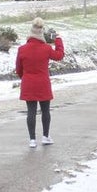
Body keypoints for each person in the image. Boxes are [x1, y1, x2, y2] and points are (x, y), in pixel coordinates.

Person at [15, 16, 64, 148]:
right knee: (45, 110)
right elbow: (59, 56)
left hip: (28, 83)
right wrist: (58, 39)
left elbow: (18, 69)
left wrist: (25, 77)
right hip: (43, 83)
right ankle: (45, 136)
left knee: (31, 111)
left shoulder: (22, 49)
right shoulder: (46, 48)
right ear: (42, 32)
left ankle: (32, 139)